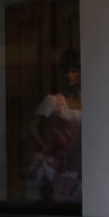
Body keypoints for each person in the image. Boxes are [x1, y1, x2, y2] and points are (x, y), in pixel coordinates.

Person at [28, 51, 82, 204]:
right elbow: (32, 126)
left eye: (74, 71)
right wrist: (44, 146)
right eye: (66, 72)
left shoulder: (89, 100)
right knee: (61, 196)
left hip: (81, 159)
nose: (69, 75)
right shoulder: (53, 100)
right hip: (60, 160)